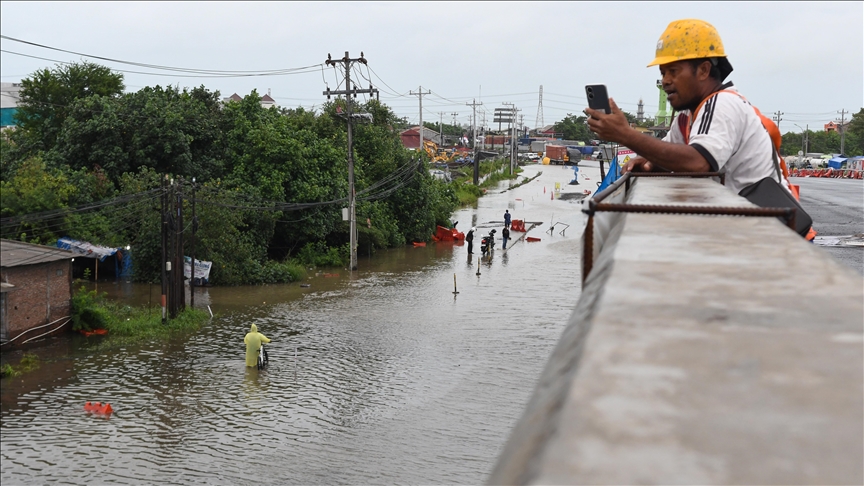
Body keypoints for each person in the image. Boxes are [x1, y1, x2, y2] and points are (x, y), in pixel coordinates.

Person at [585, 19, 787, 196]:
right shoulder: (686, 117)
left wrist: (624, 134)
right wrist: (650, 163)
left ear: (704, 70)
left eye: (673, 71)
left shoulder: (723, 104)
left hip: (770, 229)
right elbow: (670, 156)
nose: (665, 81)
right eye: (663, 73)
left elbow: (698, 162)